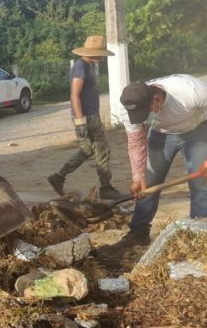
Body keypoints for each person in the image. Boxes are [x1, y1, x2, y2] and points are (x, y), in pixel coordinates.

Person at [96, 75, 207, 259]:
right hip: (162, 134)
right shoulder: (130, 107)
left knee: (201, 183)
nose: (143, 119)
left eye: (146, 113)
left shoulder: (192, 92)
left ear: (156, 100)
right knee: (148, 183)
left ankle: (197, 234)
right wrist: (138, 177)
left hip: (197, 129)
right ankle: (139, 233)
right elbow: (136, 143)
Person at [47, 35, 124, 200]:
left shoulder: (87, 66)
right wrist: (80, 120)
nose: (102, 57)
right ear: (92, 53)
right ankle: (105, 187)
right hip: (86, 117)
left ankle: (59, 177)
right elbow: (75, 94)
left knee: (92, 150)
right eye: (101, 54)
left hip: (91, 115)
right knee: (97, 150)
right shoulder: (80, 66)